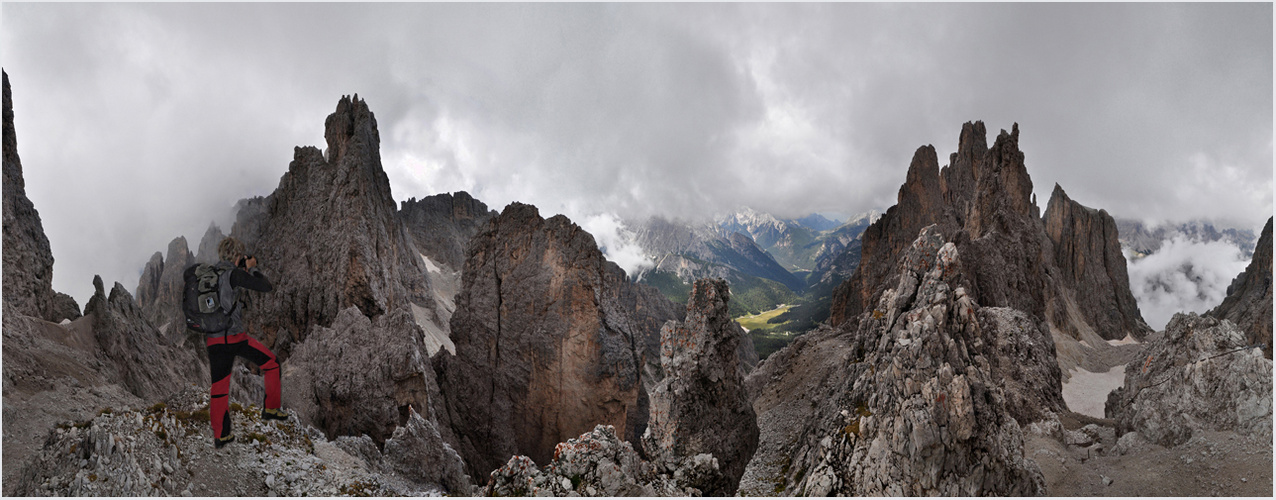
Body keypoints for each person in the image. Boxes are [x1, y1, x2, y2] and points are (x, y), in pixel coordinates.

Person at [208, 236, 287, 448]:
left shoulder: (212, 274)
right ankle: (271, 409)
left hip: (213, 340)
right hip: (234, 338)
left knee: (219, 388)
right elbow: (265, 286)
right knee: (271, 363)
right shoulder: (234, 274)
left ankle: (221, 435)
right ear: (236, 256)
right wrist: (251, 268)